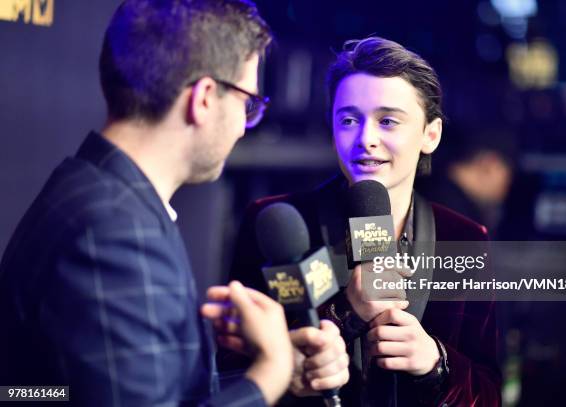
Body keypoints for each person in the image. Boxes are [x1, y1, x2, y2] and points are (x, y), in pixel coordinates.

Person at [0, 1, 348, 405]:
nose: (242, 127)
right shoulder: (116, 230)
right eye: (247, 104)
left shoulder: (102, 193)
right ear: (203, 98)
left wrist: (272, 368)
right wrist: (268, 374)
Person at [230, 37, 501, 406]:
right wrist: (346, 312)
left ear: (430, 134)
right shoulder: (279, 223)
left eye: (387, 121)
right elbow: (234, 369)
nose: (365, 139)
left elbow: (491, 392)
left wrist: (437, 363)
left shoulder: (464, 238)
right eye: (349, 119)